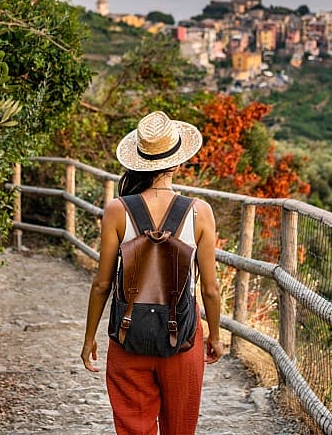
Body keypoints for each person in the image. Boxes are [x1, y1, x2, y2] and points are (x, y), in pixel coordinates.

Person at [81, 110, 226, 435]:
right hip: (183, 339)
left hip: (127, 336)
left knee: (133, 427)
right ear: (177, 163)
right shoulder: (199, 212)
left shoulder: (118, 210)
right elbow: (211, 289)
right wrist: (214, 336)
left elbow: (103, 283)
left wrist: (90, 337)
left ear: (139, 161)